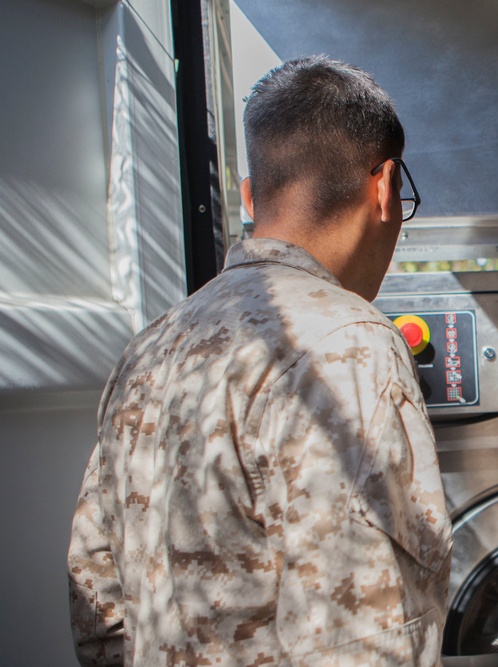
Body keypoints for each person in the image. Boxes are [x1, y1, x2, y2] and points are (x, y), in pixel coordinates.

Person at [67, 56, 452, 666]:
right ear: (383, 188)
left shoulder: (150, 347)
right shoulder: (349, 344)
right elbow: (363, 640)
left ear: (250, 197)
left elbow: (97, 599)